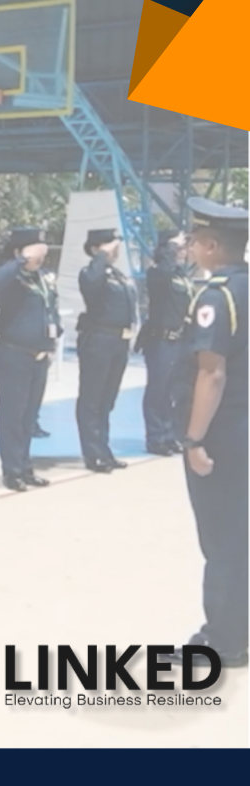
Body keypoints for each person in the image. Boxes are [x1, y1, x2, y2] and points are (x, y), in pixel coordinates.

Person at [172, 197, 248, 670]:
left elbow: (211, 373)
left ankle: (222, 639)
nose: (191, 247)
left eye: (196, 240)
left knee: (223, 537)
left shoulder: (217, 296)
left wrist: (194, 439)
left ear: (212, 245)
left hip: (225, 431)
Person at [0, 227, 59, 492]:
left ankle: (25, 465)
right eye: (35, 253)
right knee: (13, 414)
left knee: (29, 415)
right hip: (12, 352)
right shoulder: (10, 276)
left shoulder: (42, 278)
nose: (40, 258)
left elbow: (50, 308)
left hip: (39, 354)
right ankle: (12, 470)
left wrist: (53, 338)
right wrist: (20, 260)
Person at [76, 228, 137, 473]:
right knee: (92, 398)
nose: (115, 250)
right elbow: (92, 283)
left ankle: (103, 449)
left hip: (118, 342)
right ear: (95, 249)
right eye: (109, 246)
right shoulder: (91, 273)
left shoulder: (117, 274)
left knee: (107, 399)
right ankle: (93, 453)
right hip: (98, 340)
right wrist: (100, 256)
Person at [140, 232, 193, 456]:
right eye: (178, 248)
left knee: (174, 390)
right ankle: (156, 437)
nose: (182, 252)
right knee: (158, 390)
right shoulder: (157, 272)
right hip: (161, 340)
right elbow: (163, 273)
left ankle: (171, 434)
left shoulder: (181, 275)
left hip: (180, 340)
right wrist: (171, 246)